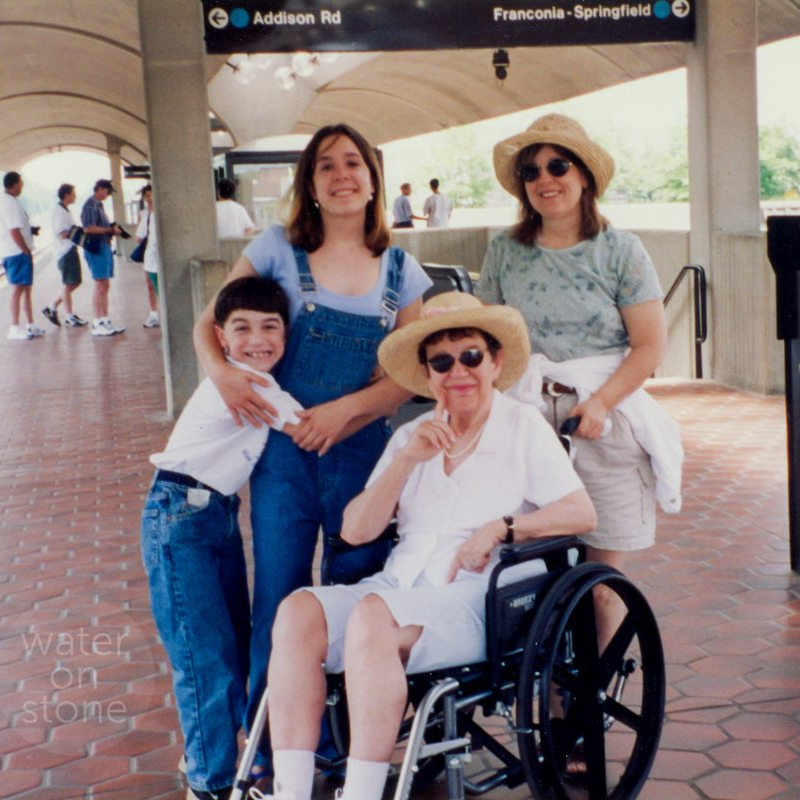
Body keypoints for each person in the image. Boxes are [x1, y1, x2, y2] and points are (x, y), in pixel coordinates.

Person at [261, 291, 596, 800]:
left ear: (496, 361)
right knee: (297, 612)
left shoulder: (521, 424)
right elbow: (356, 530)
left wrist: (502, 528)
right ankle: (290, 791)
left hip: (483, 595)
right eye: (441, 361)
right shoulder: (413, 434)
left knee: (374, 617)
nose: (457, 370)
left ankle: (362, 792)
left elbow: (581, 512)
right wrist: (406, 461)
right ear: (428, 374)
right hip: (400, 586)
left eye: (470, 356)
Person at [192, 123, 432, 786]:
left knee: (360, 596)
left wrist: (346, 412)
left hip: (364, 457)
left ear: (373, 178)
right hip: (282, 459)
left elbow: (409, 375)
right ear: (310, 183)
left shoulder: (400, 268)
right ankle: (275, 751)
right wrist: (222, 373)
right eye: (326, 165)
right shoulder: (275, 248)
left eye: (353, 162)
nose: (341, 174)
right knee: (280, 594)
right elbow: (207, 323)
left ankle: (355, 744)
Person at [478, 113, 682, 652]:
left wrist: (599, 404)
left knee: (597, 581)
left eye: (558, 165)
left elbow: (649, 346)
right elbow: (490, 337)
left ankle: (590, 694)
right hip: (525, 418)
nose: (545, 178)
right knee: (529, 571)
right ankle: (545, 686)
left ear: (585, 174)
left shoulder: (621, 250)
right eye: (531, 170)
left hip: (601, 419)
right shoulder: (504, 250)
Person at [143, 276, 303, 800]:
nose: (257, 339)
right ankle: (208, 784)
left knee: (228, 649)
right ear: (220, 336)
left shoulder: (250, 378)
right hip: (179, 518)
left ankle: (223, 763)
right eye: (242, 328)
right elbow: (309, 429)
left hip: (213, 514)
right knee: (204, 657)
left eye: (270, 327)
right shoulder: (246, 382)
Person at [1, 171, 46, 340]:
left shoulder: (10, 201)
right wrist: (25, 249)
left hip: (16, 251)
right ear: (15, 184)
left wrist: (30, 231)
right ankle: (14, 328)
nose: (22, 187)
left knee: (26, 289)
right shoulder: (9, 203)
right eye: (21, 184)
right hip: (16, 252)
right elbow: (13, 230)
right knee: (16, 290)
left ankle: (30, 325)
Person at [81, 178, 125, 336]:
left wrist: (110, 228)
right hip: (96, 248)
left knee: (104, 285)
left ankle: (105, 320)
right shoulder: (90, 205)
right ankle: (97, 322)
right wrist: (109, 231)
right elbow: (88, 228)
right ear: (99, 188)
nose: (107, 195)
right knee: (100, 285)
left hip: (104, 247)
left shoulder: (99, 205)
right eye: (107, 191)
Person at [42, 183, 88, 328]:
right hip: (65, 251)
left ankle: (51, 306)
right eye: (73, 193)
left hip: (69, 250)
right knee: (68, 283)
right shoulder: (59, 211)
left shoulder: (65, 210)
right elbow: (62, 233)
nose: (75, 196)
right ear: (67, 194)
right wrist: (79, 232)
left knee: (74, 282)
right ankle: (69, 315)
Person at [134, 184, 160, 328]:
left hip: (156, 254)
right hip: (149, 254)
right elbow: (139, 235)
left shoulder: (159, 212)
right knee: (151, 284)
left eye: (151, 195)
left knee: (157, 286)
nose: (149, 198)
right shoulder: (144, 213)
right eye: (147, 196)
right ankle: (153, 314)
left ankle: (159, 314)